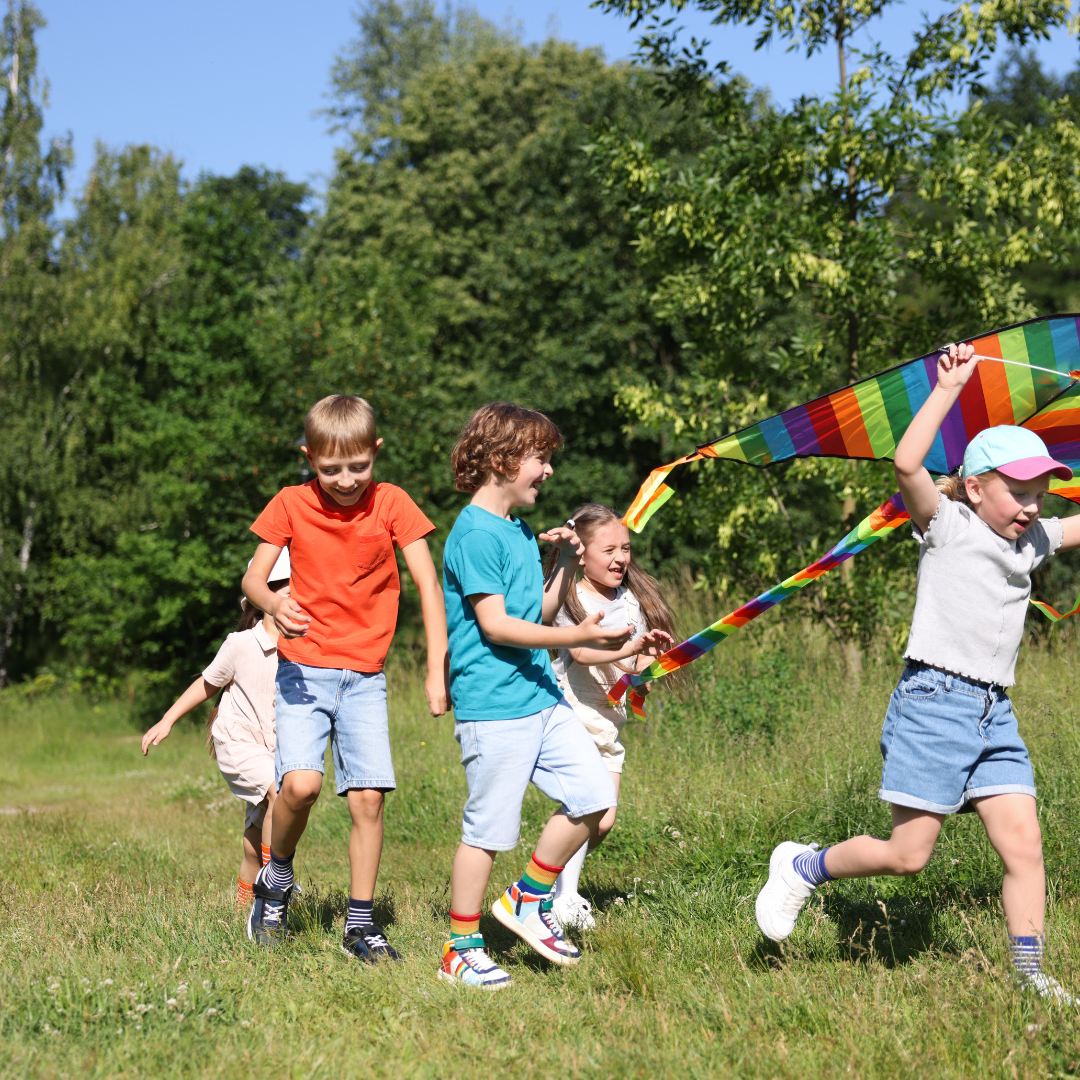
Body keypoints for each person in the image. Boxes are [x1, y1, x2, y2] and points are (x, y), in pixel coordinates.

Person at [755, 342, 1080, 1002]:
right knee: (908, 856)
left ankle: (1028, 975)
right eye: (1017, 492)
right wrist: (949, 388)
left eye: (1039, 494)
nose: (1031, 506)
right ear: (975, 486)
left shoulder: (1033, 540)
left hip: (995, 712)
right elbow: (907, 462)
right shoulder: (947, 524)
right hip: (935, 700)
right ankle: (803, 865)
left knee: (1024, 843)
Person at [438, 402, 660, 991]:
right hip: (495, 704)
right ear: (500, 459)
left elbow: (532, 612)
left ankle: (525, 897)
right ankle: (460, 947)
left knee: (593, 797)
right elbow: (497, 628)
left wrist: (559, 562)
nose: (548, 471)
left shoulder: (513, 530)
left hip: (539, 695)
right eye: (540, 458)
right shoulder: (474, 534)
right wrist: (582, 633)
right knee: (488, 832)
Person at [242, 394, 448, 963]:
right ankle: (275, 878)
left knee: (368, 799)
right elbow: (253, 579)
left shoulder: (393, 505)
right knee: (301, 787)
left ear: (375, 452)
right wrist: (274, 606)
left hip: (364, 676)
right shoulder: (289, 503)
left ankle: (361, 925)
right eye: (330, 469)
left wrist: (436, 670)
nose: (346, 479)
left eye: (358, 465)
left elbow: (429, 587)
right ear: (309, 458)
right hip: (304, 670)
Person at [544, 503, 676, 930]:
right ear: (581, 553)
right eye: (610, 550)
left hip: (608, 725)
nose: (621, 558)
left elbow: (631, 670)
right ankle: (565, 898)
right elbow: (582, 653)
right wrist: (631, 651)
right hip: (572, 716)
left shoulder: (630, 603)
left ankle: (544, 882)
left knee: (604, 822)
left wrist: (648, 665)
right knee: (587, 807)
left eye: (626, 548)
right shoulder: (571, 596)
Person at [141, 549, 291, 910]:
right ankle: (275, 887)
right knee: (279, 794)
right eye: (289, 591)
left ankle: (244, 905)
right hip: (237, 742)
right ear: (265, 597)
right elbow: (207, 683)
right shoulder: (240, 644)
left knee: (255, 837)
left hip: (274, 747)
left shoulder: (303, 648)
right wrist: (167, 719)